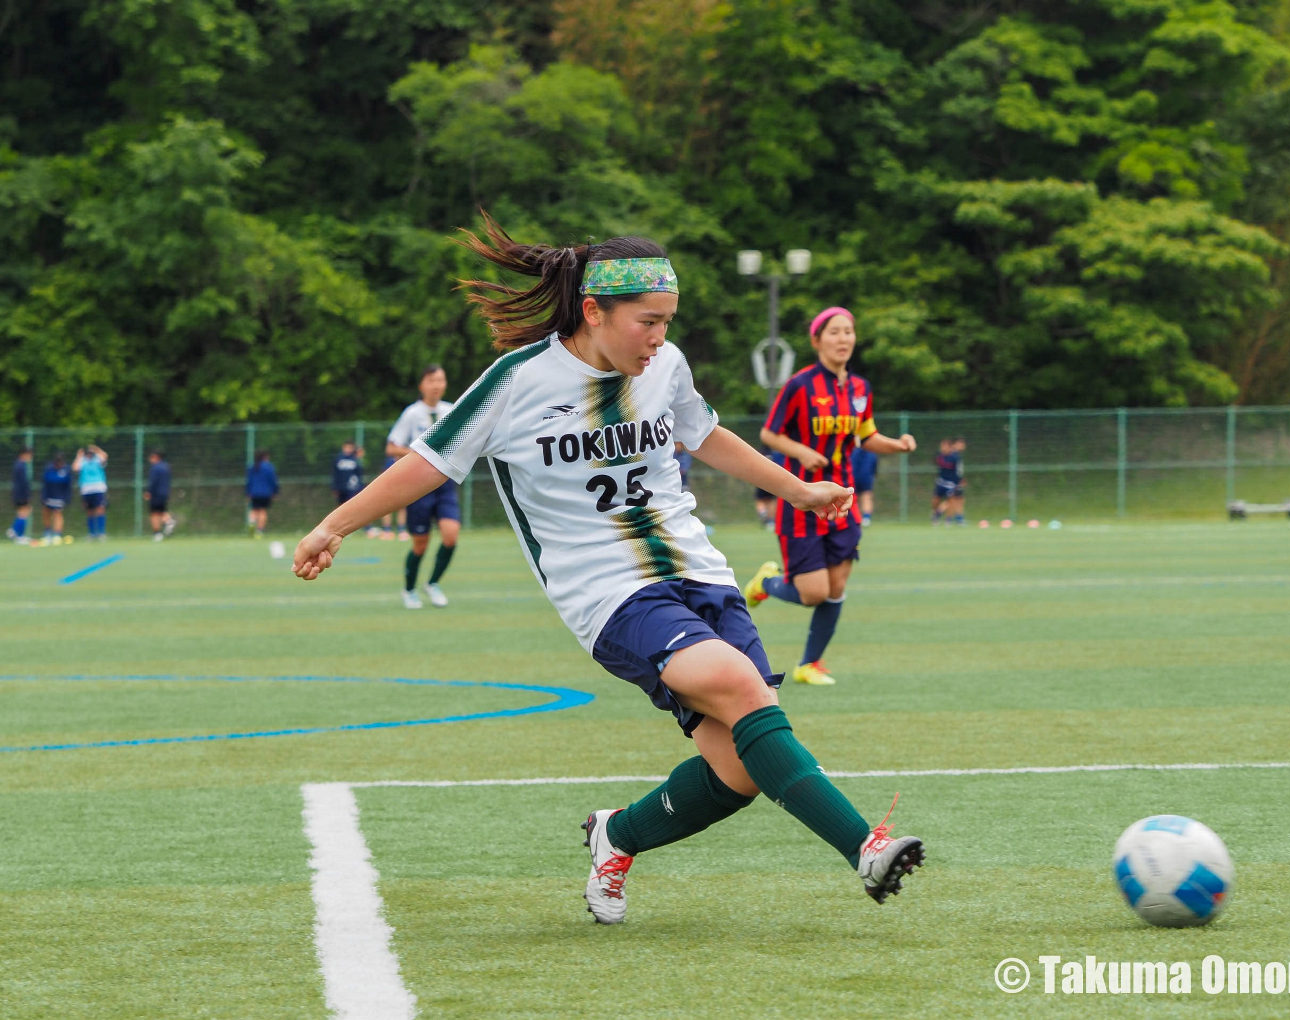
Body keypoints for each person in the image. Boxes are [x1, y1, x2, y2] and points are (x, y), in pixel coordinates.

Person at [292, 218, 924, 925]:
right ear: (593, 312)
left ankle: (615, 835)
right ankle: (865, 848)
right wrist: (333, 525)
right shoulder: (518, 381)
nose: (658, 339)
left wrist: (800, 489)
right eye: (646, 322)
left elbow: (706, 435)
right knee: (740, 687)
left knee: (741, 771)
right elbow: (428, 462)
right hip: (608, 592)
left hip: (698, 569)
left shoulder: (667, 366)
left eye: (667, 323)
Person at [744, 306, 916, 686]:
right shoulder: (800, 385)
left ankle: (810, 665)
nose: (843, 339)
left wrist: (897, 446)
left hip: (844, 501)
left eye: (849, 332)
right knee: (812, 593)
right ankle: (766, 583)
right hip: (803, 499)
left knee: (835, 589)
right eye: (834, 332)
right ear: (817, 340)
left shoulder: (859, 388)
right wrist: (802, 452)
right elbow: (770, 434)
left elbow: (867, 436)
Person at [386, 365, 460, 609]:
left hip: (445, 484)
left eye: (440, 379)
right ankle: (409, 590)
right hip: (419, 486)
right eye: (431, 380)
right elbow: (392, 447)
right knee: (421, 543)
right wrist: (422, 454)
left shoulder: (452, 410)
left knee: (450, 536)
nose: (437, 385)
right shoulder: (412, 414)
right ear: (422, 385)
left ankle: (433, 583)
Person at [73, 444, 109, 540]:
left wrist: (96, 449)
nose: (90, 454)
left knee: (100, 509)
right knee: (89, 511)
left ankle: (101, 532)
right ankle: (92, 533)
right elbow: (75, 467)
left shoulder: (97, 459)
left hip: (98, 488)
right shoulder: (83, 461)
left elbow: (105, 456)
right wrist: (79, 456)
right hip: (86, 489)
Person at [245, 450, 279, 536]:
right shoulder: (269, 467)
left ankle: (251, 523)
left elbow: (249, 481)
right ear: (265, 457)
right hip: (266, 493)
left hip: (254, 493)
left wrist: (247, 492)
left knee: (254, 510)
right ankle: (259, 531)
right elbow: (273, 481)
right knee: (262, 511)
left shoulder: (252, 467)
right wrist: (275, 492)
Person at [41, 451, 71, 545]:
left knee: (57, 513)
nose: (58, 463)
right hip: (49, 495)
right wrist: (43, 496)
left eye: (60, 461)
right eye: (57, 461)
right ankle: (47, 532)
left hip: (60, 496)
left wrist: (66, 498)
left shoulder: (66, 470)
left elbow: (68, 485)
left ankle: (57, 535)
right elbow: (45, 483)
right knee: (46, 512)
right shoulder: (49, 468)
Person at [145, 450, 174, 540]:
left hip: (156, 493)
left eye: (151, 457)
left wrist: (149, 492)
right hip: (165, 493)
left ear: (156, 457)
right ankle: (169, 521)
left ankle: (157, 533)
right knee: (161, 511)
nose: (150, 459)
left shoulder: (155, 468)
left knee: (154, 513)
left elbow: (153, 482)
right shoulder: (166, 467)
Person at [931, 438, 961, 525]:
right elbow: (936, 464)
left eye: (945, 446)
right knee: (935, 500)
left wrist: (957, 483)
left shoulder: (955, 458)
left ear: (950, 447)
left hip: (950, 484)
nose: (942, 448)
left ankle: (948, 520)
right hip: (940, 482)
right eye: (942, 446)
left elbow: (958, 472)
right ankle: (935, 515)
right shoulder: (939, 456)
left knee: (950, 501)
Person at [849, 442, 878, 526]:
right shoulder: (872, 454)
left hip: (853, 478)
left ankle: (853, 518)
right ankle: (866, 518)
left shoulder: (853, 451)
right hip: (866, 479)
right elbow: (874, 468)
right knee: (866, 497)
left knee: (852, 498)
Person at [8, 447, 32, 544]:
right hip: (21, 494)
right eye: (29, 455)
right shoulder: (21, 466)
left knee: (22, 513)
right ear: (24, 454)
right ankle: (18, 534)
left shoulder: (18, 464)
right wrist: (27, 495)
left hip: (18, 493)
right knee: (24, 513)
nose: (30, 457)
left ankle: (15, 532)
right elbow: (23, 482)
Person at [332, 440, 365, 505]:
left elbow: (359, 473)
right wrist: (335, 487)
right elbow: (335, 474)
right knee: (341, 506)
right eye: (346, 447)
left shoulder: (354, 459)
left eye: (350, 448)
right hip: (341, 487)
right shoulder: (338, 459)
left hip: (352, 488)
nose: (348, 450)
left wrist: (359, 458)